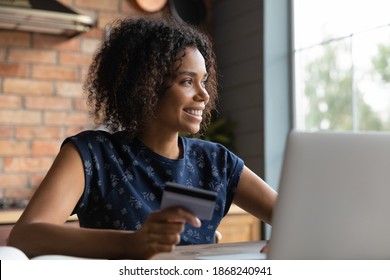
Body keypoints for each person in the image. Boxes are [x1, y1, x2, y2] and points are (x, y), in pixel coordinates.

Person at [7, 16, 277, 259]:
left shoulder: (217, 162)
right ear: (145, 85)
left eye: (203, 81)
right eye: (186, 81)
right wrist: (133, 244)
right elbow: (25, 236)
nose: (204, 95)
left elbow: (292, 217)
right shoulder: (92, 154)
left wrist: (287, 241)